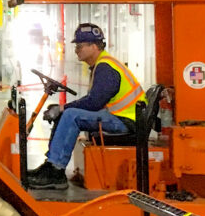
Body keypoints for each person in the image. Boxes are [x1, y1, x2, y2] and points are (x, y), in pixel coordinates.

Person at [27, 23, 143, 190]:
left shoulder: (105, 67)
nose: (77, 50)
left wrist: (62, 108)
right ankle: (51, 165)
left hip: (126, 121)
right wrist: (62, 109)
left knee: (70, 115)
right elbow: (94, 101)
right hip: (120, 116)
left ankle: (56, 171)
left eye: (80, 46)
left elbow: (94, 103)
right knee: (67, 113)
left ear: (93, 46)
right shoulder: (101, 65)